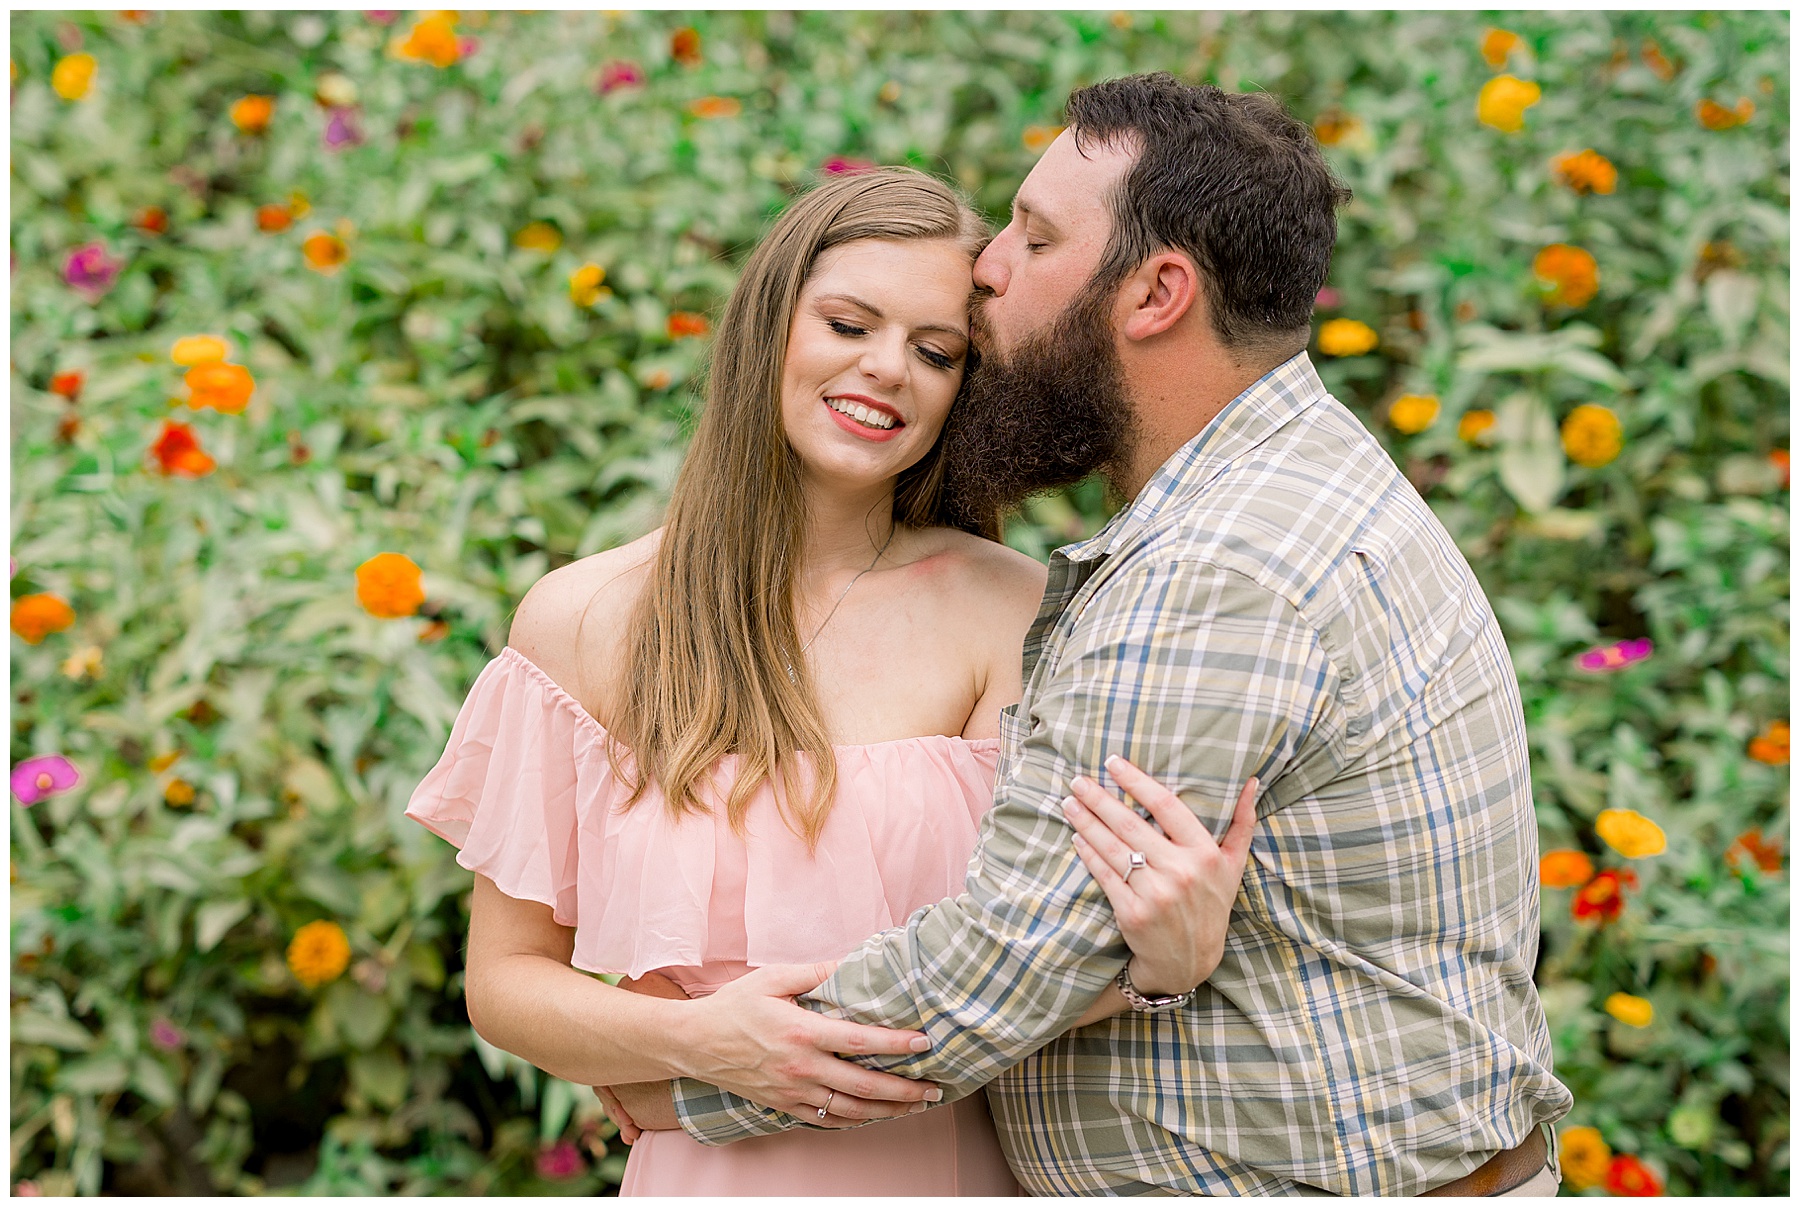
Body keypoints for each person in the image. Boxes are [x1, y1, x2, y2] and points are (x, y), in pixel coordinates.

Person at [629, 74, 1573, 1196]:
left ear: (1156, 293)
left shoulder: (1215, 571)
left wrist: (674, 1082)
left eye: (1033, 239)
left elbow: (998, 971)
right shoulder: (1287, 480)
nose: (987, 268)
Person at [404, 166, 1259, 1195]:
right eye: (850, 324)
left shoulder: (1015, 611)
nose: (889, 369)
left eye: (936, 350)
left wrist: (1160, 970)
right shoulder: (586, 618)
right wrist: (695, 1040)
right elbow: (504, 984)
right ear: (772, 327)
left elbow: (1041, 960)